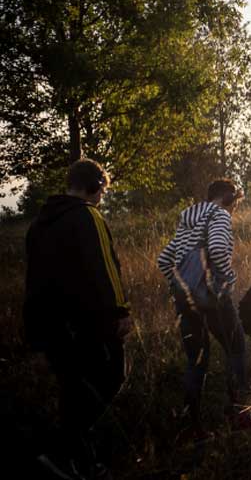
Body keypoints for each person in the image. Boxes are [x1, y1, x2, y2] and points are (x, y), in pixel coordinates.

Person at [24, 159, 132, 479]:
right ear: (95, 186)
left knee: (72, 391)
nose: (101, 198)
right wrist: (120, 311)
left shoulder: (39, 223)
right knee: (112, 377)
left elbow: (33, 280)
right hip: (87, 322)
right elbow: (105, 268)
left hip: (49, 325)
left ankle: (78, 463)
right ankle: (63, 450)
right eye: (102, 191)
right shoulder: (87, 216)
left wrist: (35, 330)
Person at [157, 179, 248, 436]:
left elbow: (163, 259)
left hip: (184, 300)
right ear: (228, 198)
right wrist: (228, 280)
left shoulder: (188, 221)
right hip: (212, 297)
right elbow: (217, 249)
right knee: (237, 349)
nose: (233, 210)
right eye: (234, 204)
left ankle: (192, 425)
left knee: (196, 359)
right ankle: (239, 414)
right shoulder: (219, 215)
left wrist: (181, 285)